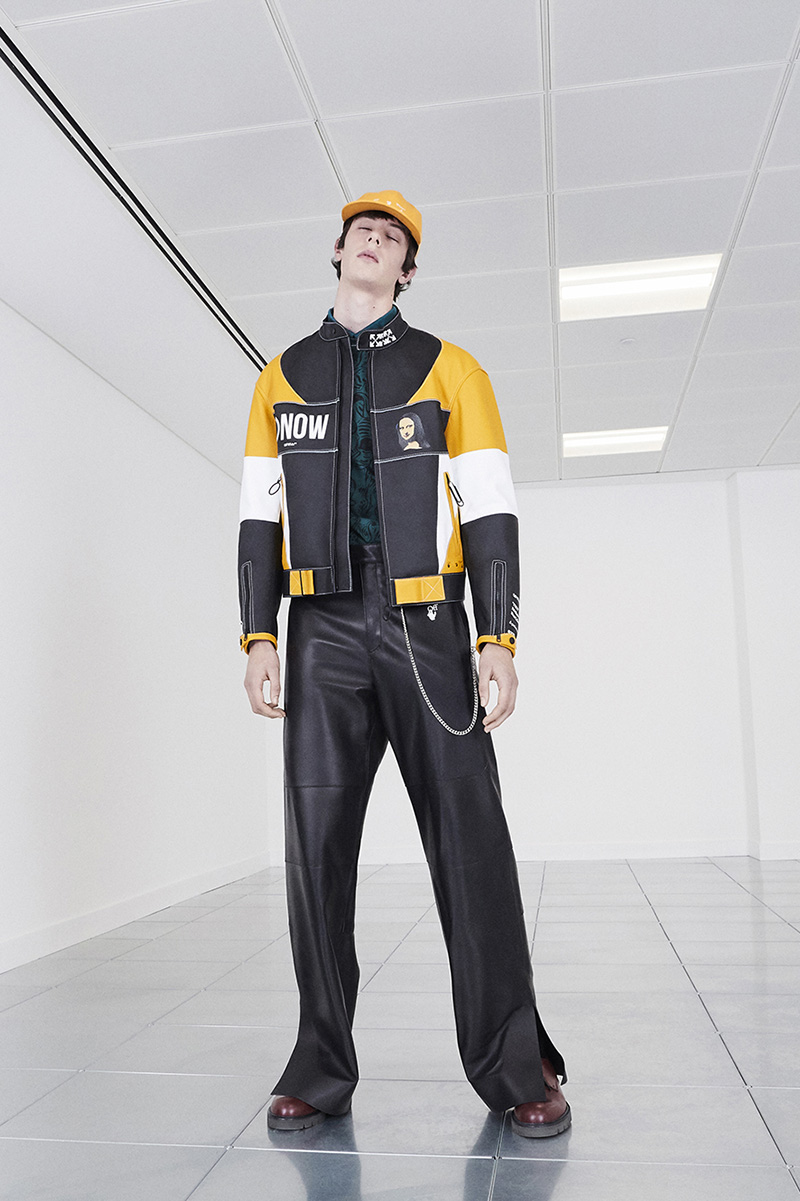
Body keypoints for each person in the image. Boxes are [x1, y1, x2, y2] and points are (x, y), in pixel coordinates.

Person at [238, 189, 570, 1139]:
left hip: (427, 625)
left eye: (392, 238)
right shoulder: (280, 375)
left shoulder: (452, 369)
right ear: (338, 251)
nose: (375, 242)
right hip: (320, 629)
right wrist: (259, 634)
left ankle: (516, 1066)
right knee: (315, 856)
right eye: (363, 231)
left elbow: (493, 507)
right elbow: (258, 513)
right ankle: (319, 1066)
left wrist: (497, 636)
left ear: (406, 270)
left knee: (472, 846)